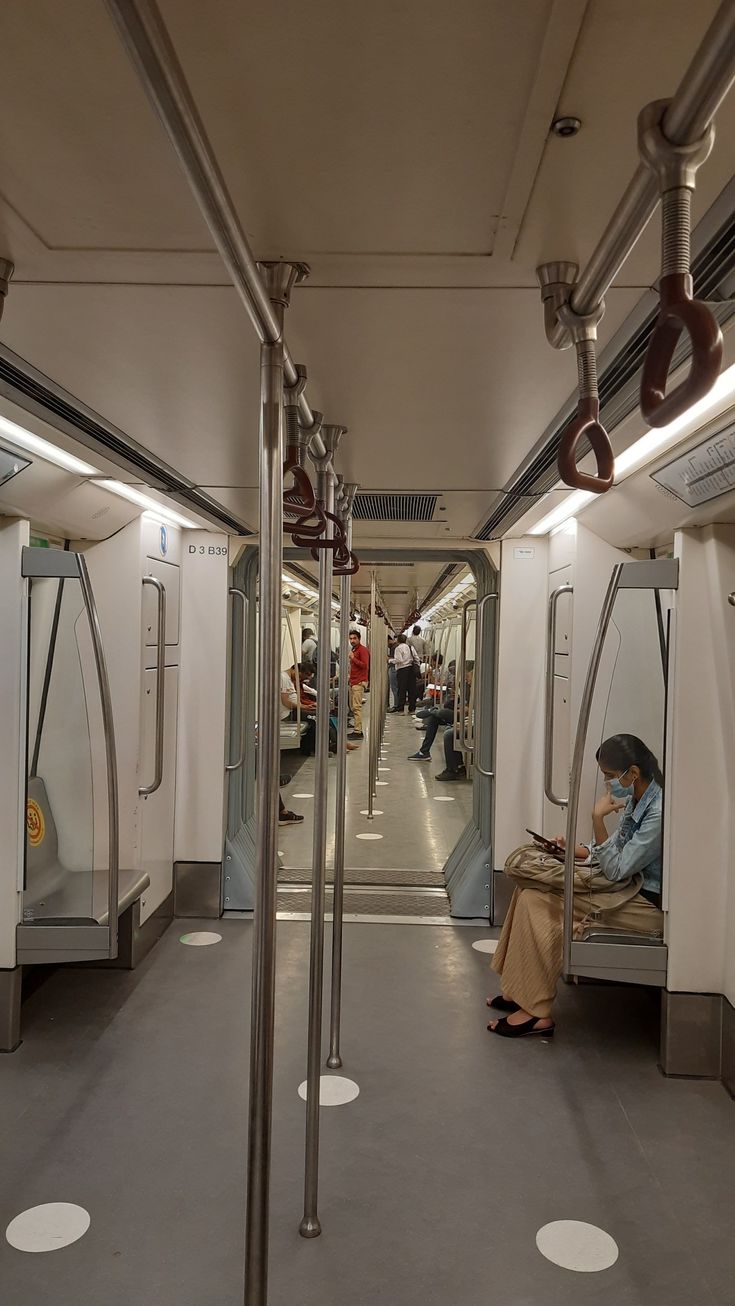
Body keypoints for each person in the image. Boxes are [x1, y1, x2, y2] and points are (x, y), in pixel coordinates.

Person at [488, 734, 664, 1039]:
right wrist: (572, 849)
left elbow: (618, 867)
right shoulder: (639, 799)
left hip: (643, 906)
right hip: (623, 891)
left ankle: (536, 1012)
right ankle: (521, 992)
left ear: (632, 773)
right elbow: (612, 849)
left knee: (537, 903)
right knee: (528, 891)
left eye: (611, 776)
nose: (609, 784)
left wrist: (596, 819)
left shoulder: (658, 813)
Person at [435, 662, 473, 778]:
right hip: (468, 720)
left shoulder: (479, 691)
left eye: (467, 677)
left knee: (448, 733)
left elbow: (473, 713)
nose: (466, 680)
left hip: (472, 723)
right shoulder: (468, 687)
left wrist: (464, 723)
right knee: (439, 715)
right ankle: (458, 767)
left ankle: (453, 770)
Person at [347, 629, 370, 740]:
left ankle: (358, 731)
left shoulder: (362, 650)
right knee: (354, 707)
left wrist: (353, 658)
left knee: (357, 707)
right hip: (353, 681)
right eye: (351, 638)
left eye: (354, 638)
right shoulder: (354, 649)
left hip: (359, 682)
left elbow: (364, 665)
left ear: (359, 639)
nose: (352, 640)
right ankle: (357, 729)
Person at [394, 634, 419, 712]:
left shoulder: (398, 648)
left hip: (402, 670)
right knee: (412, 689)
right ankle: (412, 708)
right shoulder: (410, 647)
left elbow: (399, 660)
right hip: (411, 669)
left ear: (398, 640)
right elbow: (416, 658)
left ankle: (401, 709)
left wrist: (390, 660)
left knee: (402, 689)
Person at [387, 637, 399, 712]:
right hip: (397, 669)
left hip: (394, 668)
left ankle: (396, 705)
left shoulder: (393, 647)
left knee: (394, 688)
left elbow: (393, 659)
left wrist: (388, 659)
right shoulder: (396, 646)